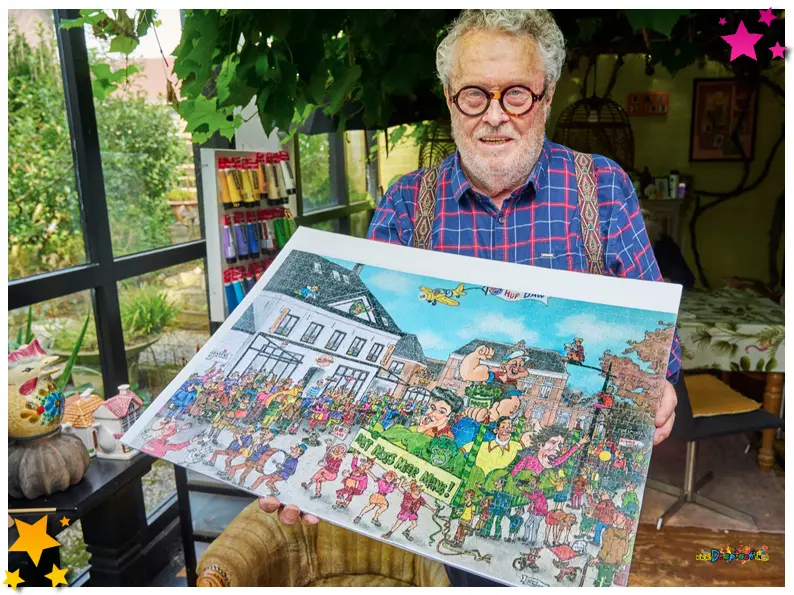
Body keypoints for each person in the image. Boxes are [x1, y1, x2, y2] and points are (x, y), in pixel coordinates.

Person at [258, 9, 679, 587]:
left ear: (547, 96)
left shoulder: (602, 188)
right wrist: (306, 472)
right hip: (448, 510)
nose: (495, 115)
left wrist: (661, 387)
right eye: (474, 95)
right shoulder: (406, 202)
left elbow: (659, 335)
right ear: (450, 99)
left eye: (517, 94)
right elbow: (387, 348)